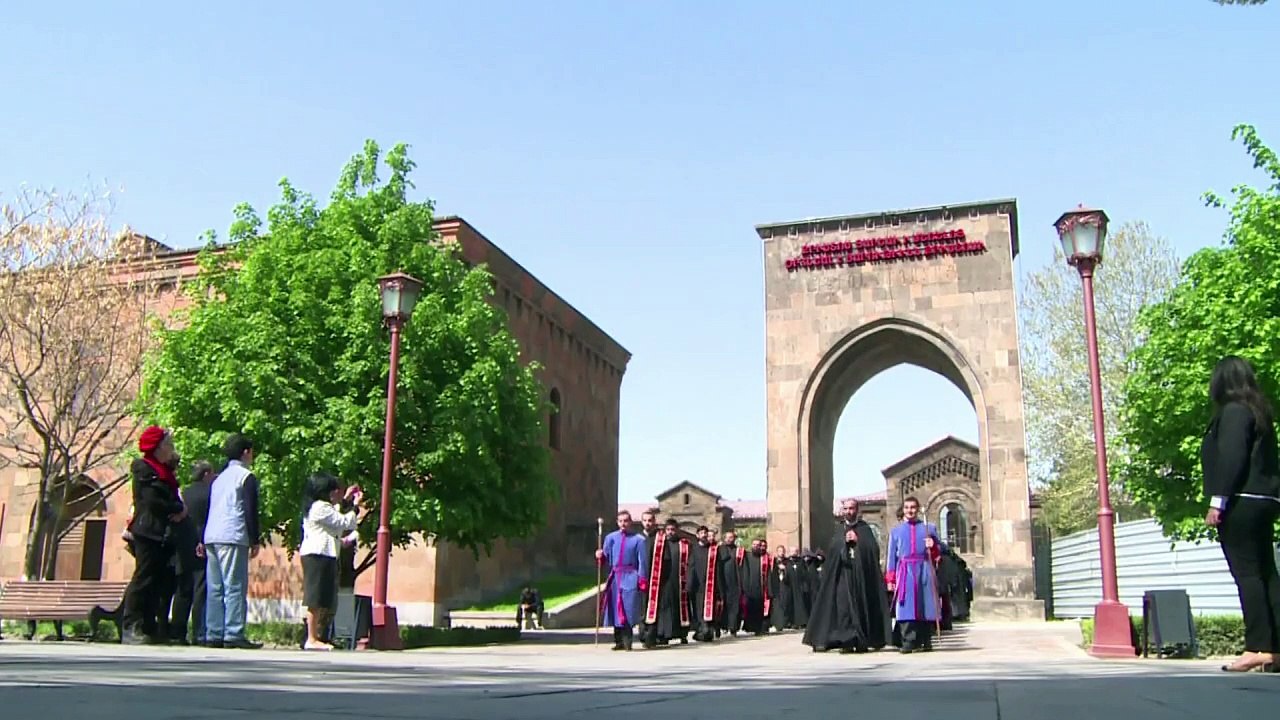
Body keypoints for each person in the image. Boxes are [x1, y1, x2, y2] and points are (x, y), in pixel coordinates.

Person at [1202, 356, 1280, 673]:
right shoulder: (1259, 413)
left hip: (1241, 501)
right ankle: (1275, 648)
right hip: (1266, 499)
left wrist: (1218, 501)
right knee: (1267, 574)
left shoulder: (1233, 413)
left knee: (1247, 574)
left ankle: (1258, 646)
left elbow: (1232, 458)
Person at [121, 426, 186, 645]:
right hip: (148, 530)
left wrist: (178, 508)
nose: (171, 449)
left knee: (160, 582)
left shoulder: (166, 471)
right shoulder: (144, 467)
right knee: (144, 578)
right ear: (158, 447)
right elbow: (153, 500)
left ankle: (151, 626)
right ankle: (131, 624)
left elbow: (173, 497)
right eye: (168, 445)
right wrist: (176, 508)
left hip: (164, 534)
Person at [803, 498, 891, 653]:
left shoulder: (865, 529)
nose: (849, 511)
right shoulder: (838, 531)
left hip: (860, 576)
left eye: (852, 508)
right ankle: (846, 641)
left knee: (861, 606)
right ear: (842, 511)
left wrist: (859, 541)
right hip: (843, 576)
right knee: (844, 608)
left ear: (857, 510)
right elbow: (832, 553)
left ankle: (862, 640)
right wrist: (843, 542)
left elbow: (872, 551)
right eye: (846, 509)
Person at [204, 433, 263, 649]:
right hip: (232, 534)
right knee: (234, 586)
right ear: (246, 452)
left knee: (215, 587)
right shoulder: (245, 476)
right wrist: (254, 538)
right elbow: (249, 509)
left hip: (212, 534)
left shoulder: (218, 479)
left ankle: (213, 631)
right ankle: (233, 631)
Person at [299, 472, 362, 651]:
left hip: (325, 555)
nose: (337, 493)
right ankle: (311, 638)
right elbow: (343, 522)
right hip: (317, 555)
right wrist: (355, 507)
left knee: (325, 597)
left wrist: (346, 500)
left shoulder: (322, 506)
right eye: (333, 490)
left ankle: (318, 636)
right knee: (315, 597)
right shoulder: (319, 507)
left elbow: (336, 514)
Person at [885, 496, 944, 653]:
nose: (910, 510)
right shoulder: (896, 532)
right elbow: (891, 557)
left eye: (913, 507)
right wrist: (890, 578)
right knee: (906, 607)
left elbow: (939, 553)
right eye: (907, 507)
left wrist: (933, 546)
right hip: (905, 570)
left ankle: (925, 640)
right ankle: (909, 641)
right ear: (903, 510)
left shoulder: (928, 528)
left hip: (924, 567)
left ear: (917, 509)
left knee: (925, 605)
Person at [596, 510, 649, 650]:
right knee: (614, 609)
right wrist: (600, 556)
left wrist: (642, 579)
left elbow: (642, 562)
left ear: (630, 522)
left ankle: (627, 641)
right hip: (615, 577)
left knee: (627, 609)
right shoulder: (610, 538)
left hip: (630, 576)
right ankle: (618, 640)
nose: (623, 524)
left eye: (626, 521)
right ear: (617, 522)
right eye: (620, 521)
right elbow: (605, 558)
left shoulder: (638, 540)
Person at [640, 518, 690, 647]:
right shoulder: (660, 543)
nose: (670, 532)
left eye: (673, 530)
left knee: (679, 608)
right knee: (665, 608)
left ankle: (681, 633)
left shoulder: (683, 544)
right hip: (664, 580)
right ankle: (664, 634)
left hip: (679, 581)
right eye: (668, 530)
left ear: (677, 530)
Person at [687, 525, 721, 642]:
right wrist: (689, 584)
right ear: (697, 535)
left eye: (705, 533)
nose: (704, 535)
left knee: (709, 608)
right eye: (701, 533)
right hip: (697, 586)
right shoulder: (693, 549)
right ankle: (700, 630)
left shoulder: (713, 550)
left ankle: (707, 630)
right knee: (698, 609)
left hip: (710, 585)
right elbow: (690, 567)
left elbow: (718, 568)